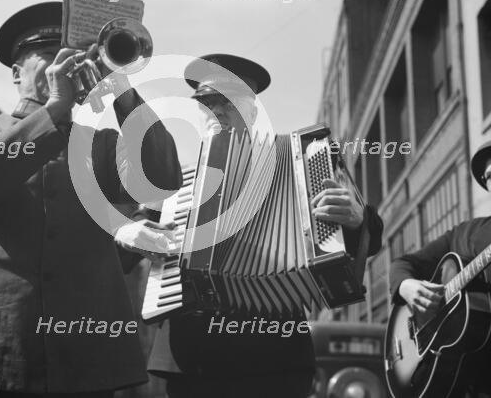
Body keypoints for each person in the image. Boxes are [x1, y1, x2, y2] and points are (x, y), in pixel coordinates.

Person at [0, 2, 182, 398]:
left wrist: (122, 88)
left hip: (80, 352)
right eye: (50, 53)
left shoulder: (102, 144)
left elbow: (160, 177)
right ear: (17, 73)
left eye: (74, 54)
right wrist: (55, 108)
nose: (67, 62)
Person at [144, 54, 384, 398]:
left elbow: (368, 238)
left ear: (253, 111)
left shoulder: (303, 162)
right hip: (190, 357)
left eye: (230, 103)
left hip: (275, 357)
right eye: (208, 103)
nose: (219, 111)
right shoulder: (175, 178)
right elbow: (137, 229)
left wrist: (357, 219)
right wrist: (137, 233)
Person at [389, 140, 491, 397]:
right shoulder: (465, 233)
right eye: (488, 175)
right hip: (463, 382)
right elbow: (403, 264)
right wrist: (406, 286)